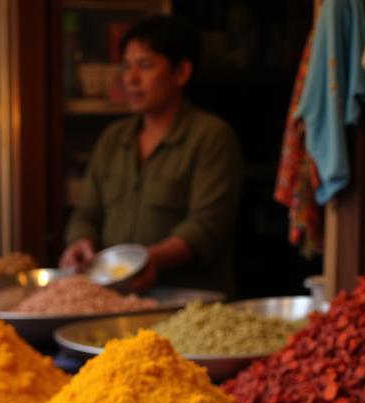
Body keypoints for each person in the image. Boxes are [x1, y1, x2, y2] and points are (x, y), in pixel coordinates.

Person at [60, 16, 242, 295]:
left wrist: (149, 260)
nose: (130, 79)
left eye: (144, 66)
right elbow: (87, 212)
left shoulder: (211, 137)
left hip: (186, 300)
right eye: (126, 66)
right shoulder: (113, 138)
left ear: (181, 72)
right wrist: (79, 241)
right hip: (115, 299)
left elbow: (205, 227)